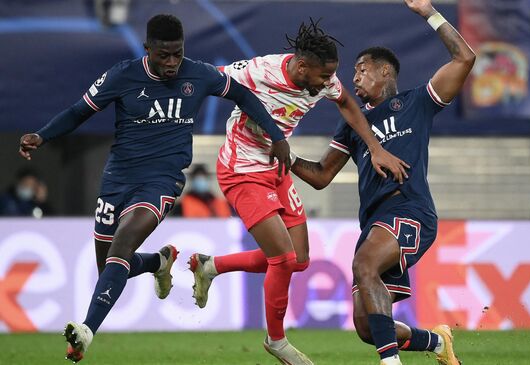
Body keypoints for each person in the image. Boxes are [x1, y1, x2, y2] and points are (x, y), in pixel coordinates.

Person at [18, 14, 291, 363]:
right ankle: (159, 262)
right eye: (164, 55)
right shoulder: (122, 75)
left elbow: (244, 95)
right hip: (117, 180)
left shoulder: (199, 74)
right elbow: (77, 112)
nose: (172, 63)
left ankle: (86, 331)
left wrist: (277, 135)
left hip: (162, 180)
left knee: (123, 243)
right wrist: (42, 135)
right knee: (111, 267)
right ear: (148, 50)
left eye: (177, 54)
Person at [187, 18, 409, 365]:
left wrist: (374, 147)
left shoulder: (322, 79)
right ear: (302, 66)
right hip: (242, 169)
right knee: (284, 259)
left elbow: (348, 104)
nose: (328, 83)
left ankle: (210, 266)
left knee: (299, 260)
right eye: (322, 77)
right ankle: (276, 341)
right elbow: (207, 77)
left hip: (277, 169)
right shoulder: (259, 71)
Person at [289, 1, 474, 364]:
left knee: (364, 265)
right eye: (354, 72)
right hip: (374, 222)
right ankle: (436, 343)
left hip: (410, 211)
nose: (355, 78)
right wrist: (287, 156)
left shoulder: (416, 103)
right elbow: (323, 176)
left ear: (385, 71)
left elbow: (464, 59)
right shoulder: (353, 123)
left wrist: (428, 13)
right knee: (368, 327)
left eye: (362, 69)